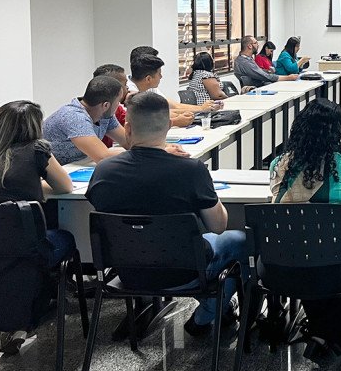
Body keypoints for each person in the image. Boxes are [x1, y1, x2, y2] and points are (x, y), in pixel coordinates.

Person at [85, 92, 246, 337]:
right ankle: (206, 316)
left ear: (127, 128)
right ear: (169, 126)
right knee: (242, 242)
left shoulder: (104, 171)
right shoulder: (191, 171)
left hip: (127, 271)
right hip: (186, 270)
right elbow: (218, 226)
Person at [267, 98, 341, 363]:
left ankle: (321, 331)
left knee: (308, 258)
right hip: (335, 269)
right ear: (337, 131)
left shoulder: (280, 165)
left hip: (281, 266)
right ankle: (331, 332)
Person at [0, 101, 75, 354]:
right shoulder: (37, 150)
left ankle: (13, 320)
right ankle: (56, 298)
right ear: (34, 127)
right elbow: (65, 187)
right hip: (28, 246)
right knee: (66, 237)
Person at [43, 75, 132, 165]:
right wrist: (139, 152)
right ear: (106, 105)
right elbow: (103, 157)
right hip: (50, 171)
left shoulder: (105, 115)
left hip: (75, 166)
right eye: (118, 102)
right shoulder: (74, 116)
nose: (119, 105)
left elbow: (129, 142)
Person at [129, 52, 219, 115]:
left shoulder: (150, 87)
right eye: (159, 74)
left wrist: (202, 108)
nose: (161, 77)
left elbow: (172, 106)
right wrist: (200, 109)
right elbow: (158, 113)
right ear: (148, 78)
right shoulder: (131, 93)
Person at [93, 64, 129, 147]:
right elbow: (102, 154)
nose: (127, 88)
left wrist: (132, 106)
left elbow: (131, 139)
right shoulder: (81, 115)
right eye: (125, 84)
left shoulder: (115, 109)